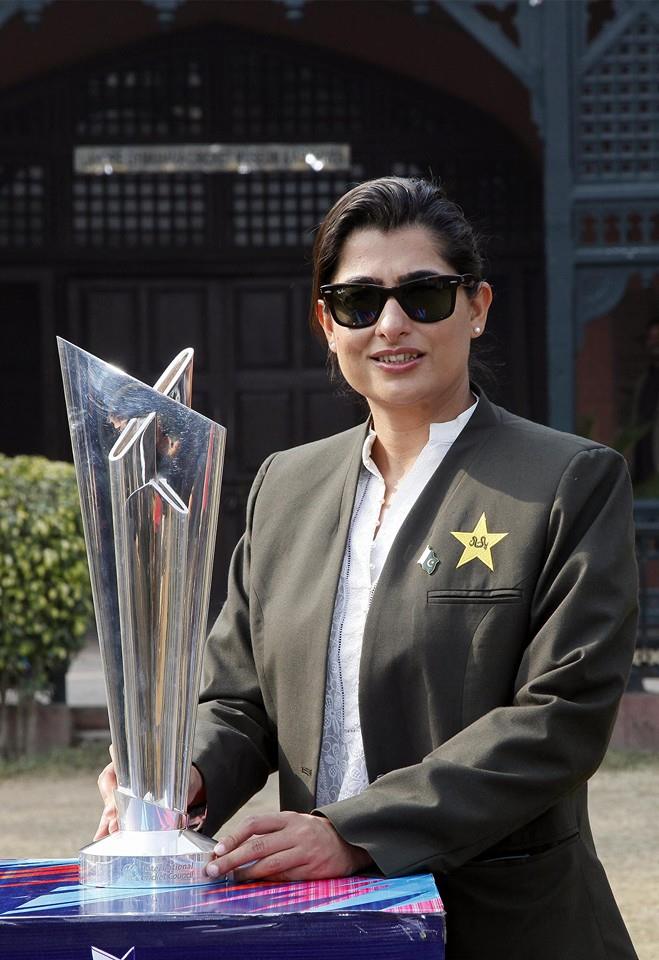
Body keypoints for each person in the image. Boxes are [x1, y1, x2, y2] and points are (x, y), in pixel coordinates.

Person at [97, 177, 638, 959]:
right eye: (357, 302)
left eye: (423, 295)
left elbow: (559, 717)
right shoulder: (287, 486)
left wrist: (352, 832)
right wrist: (183, 775)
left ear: (476, 306)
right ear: (326, 322)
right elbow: (239, 698)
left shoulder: (566, 481)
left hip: (502, 924)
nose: (390, 325)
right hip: (320, 924)